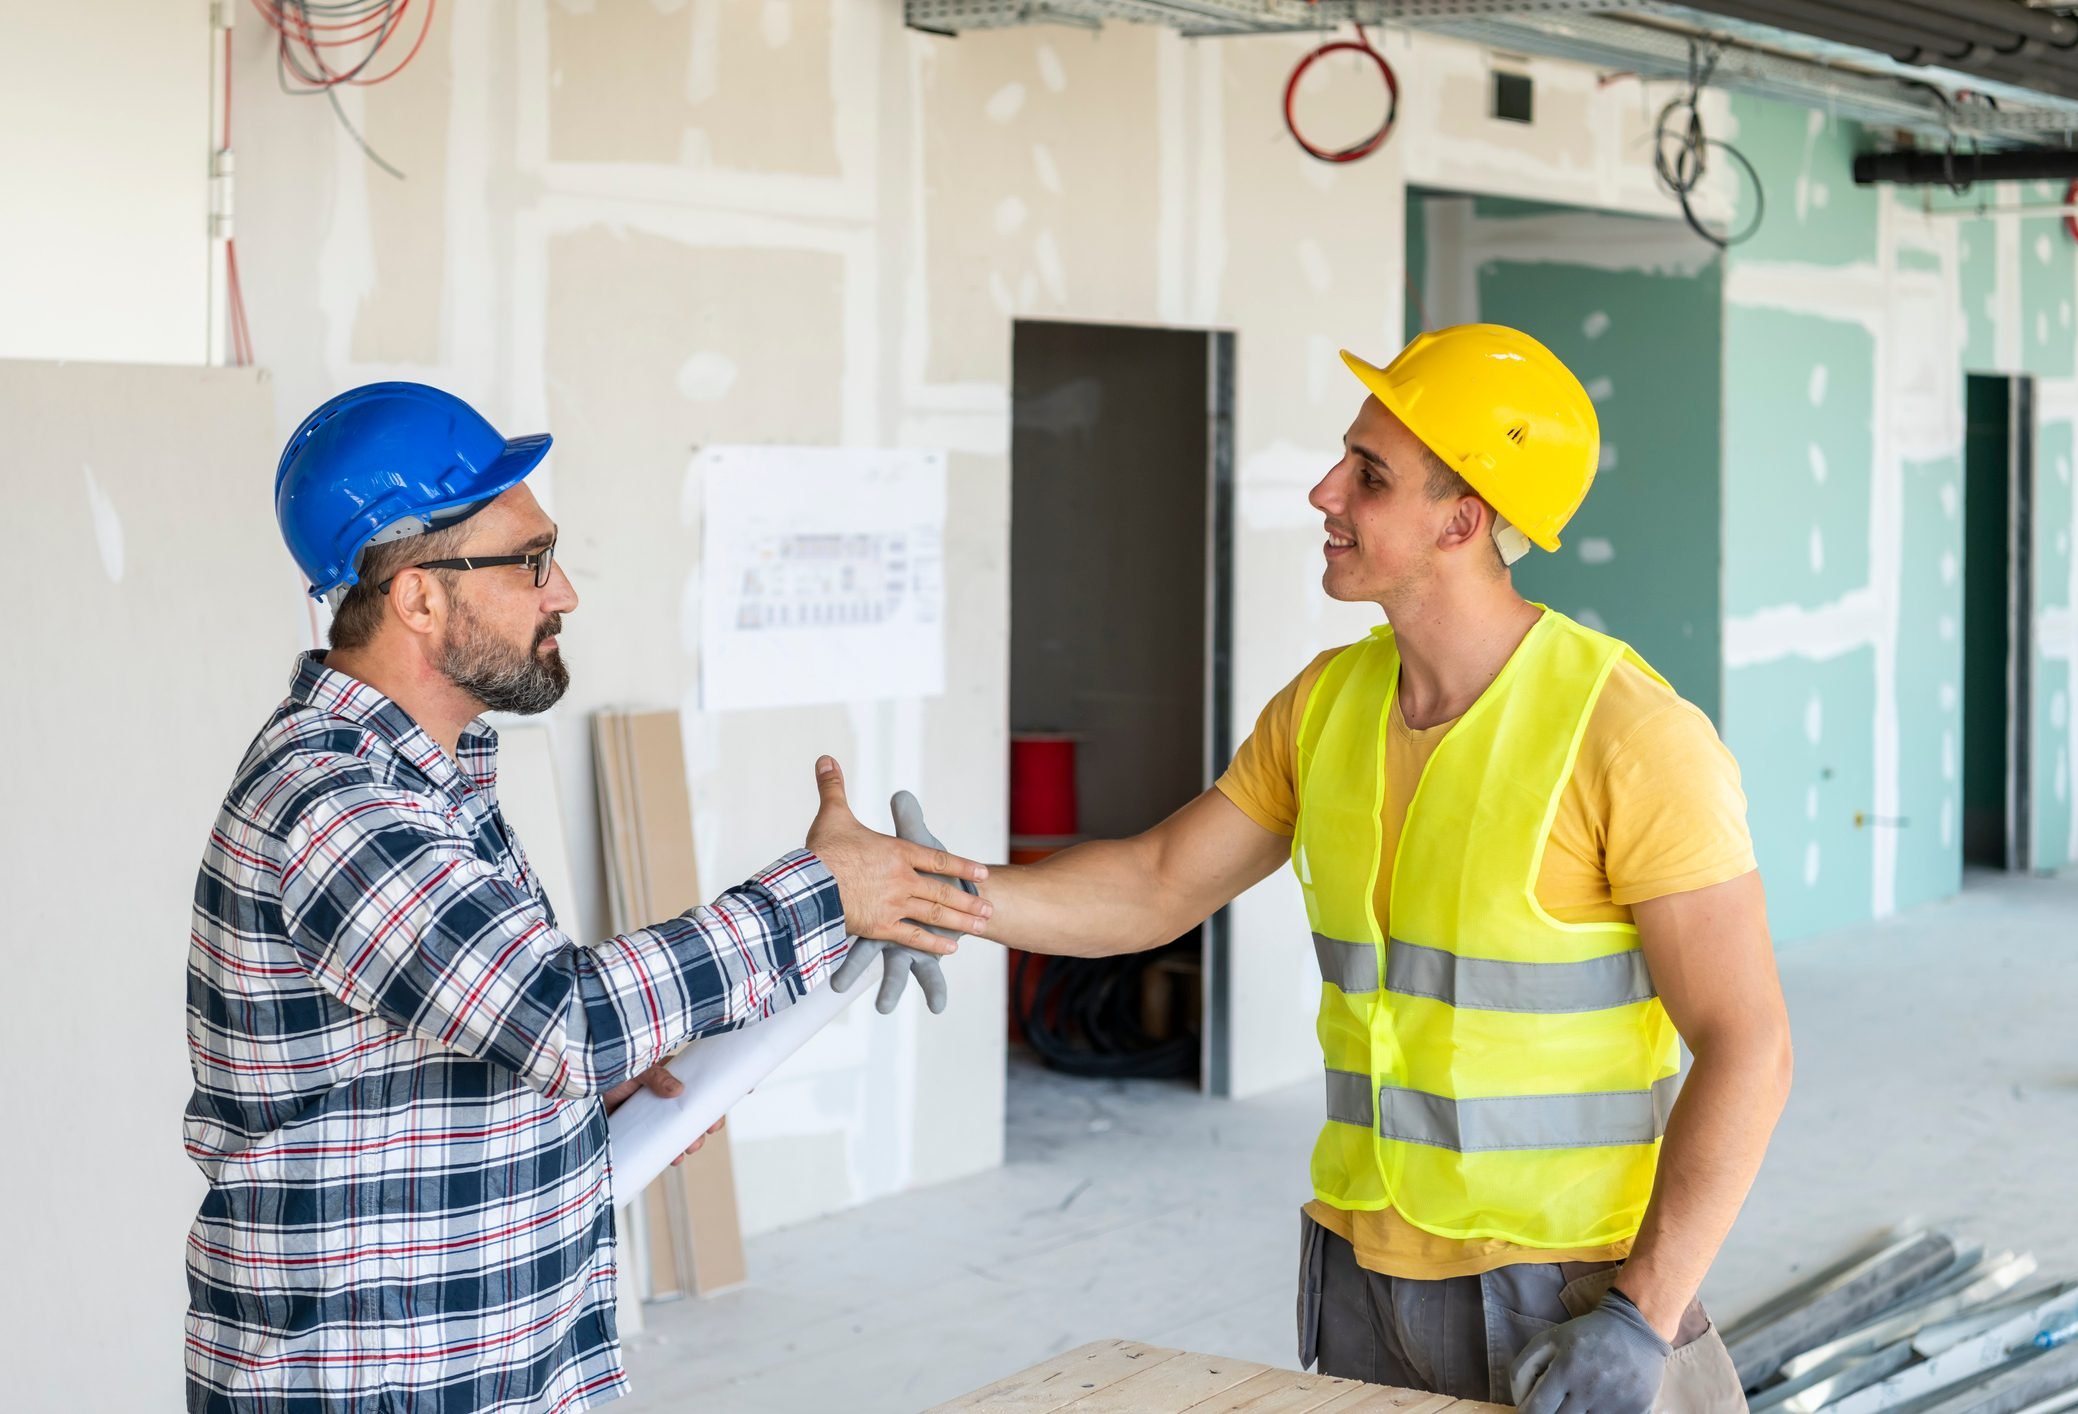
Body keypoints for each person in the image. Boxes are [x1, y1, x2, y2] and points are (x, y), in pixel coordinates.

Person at [976, 326, 1793, 1412]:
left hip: (1565, 1292)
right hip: (1359, 1279)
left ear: (1463, 519)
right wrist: (938, 897)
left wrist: (1642, 1314)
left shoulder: (1629, 734)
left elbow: (1751, 1044)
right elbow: (1158, 884)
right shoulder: (1327, 703)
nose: (1325, 492)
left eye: (1369, 475)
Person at [183, 382, 990, 1412]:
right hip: (376, 1382)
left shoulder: (434, 779)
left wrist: (568, 1101)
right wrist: (827, 894)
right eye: (529, 561)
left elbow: (482, 1032)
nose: (563, 591)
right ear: (419, 598)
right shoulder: (336, 801)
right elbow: (564, 1015)